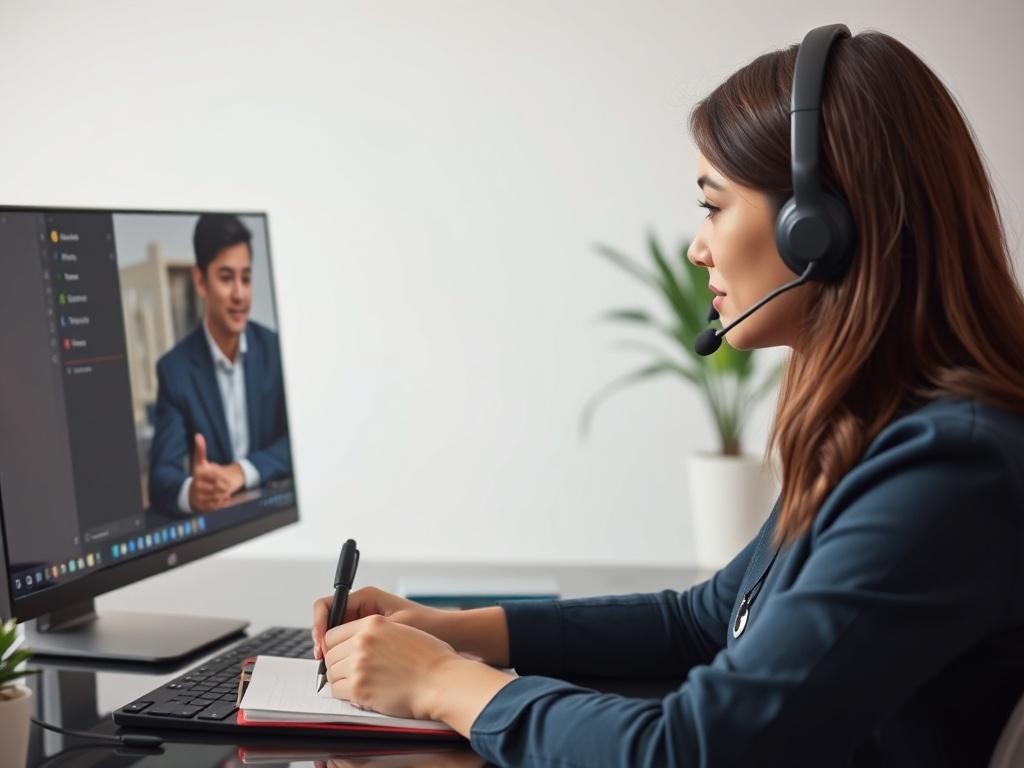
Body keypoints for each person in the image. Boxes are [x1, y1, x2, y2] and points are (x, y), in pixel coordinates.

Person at [310, 27, 1024, 767]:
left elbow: (690, 752)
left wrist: (440, 683)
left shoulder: (945, 470)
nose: (698, 248)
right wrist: (453, 629)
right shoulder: (876, 429)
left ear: (817, 231)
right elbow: (704, 623)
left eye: (714, 206)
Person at [148, 213, 291, 515]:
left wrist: (242, 470)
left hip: (273, 517)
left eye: (246, 278)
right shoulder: (174, 371)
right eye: (226, 278)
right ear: (200, 281)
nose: (239, 294)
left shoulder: (275, 350)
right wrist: (193, 492)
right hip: (219, 527)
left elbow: (298, 441)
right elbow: (162, 478)